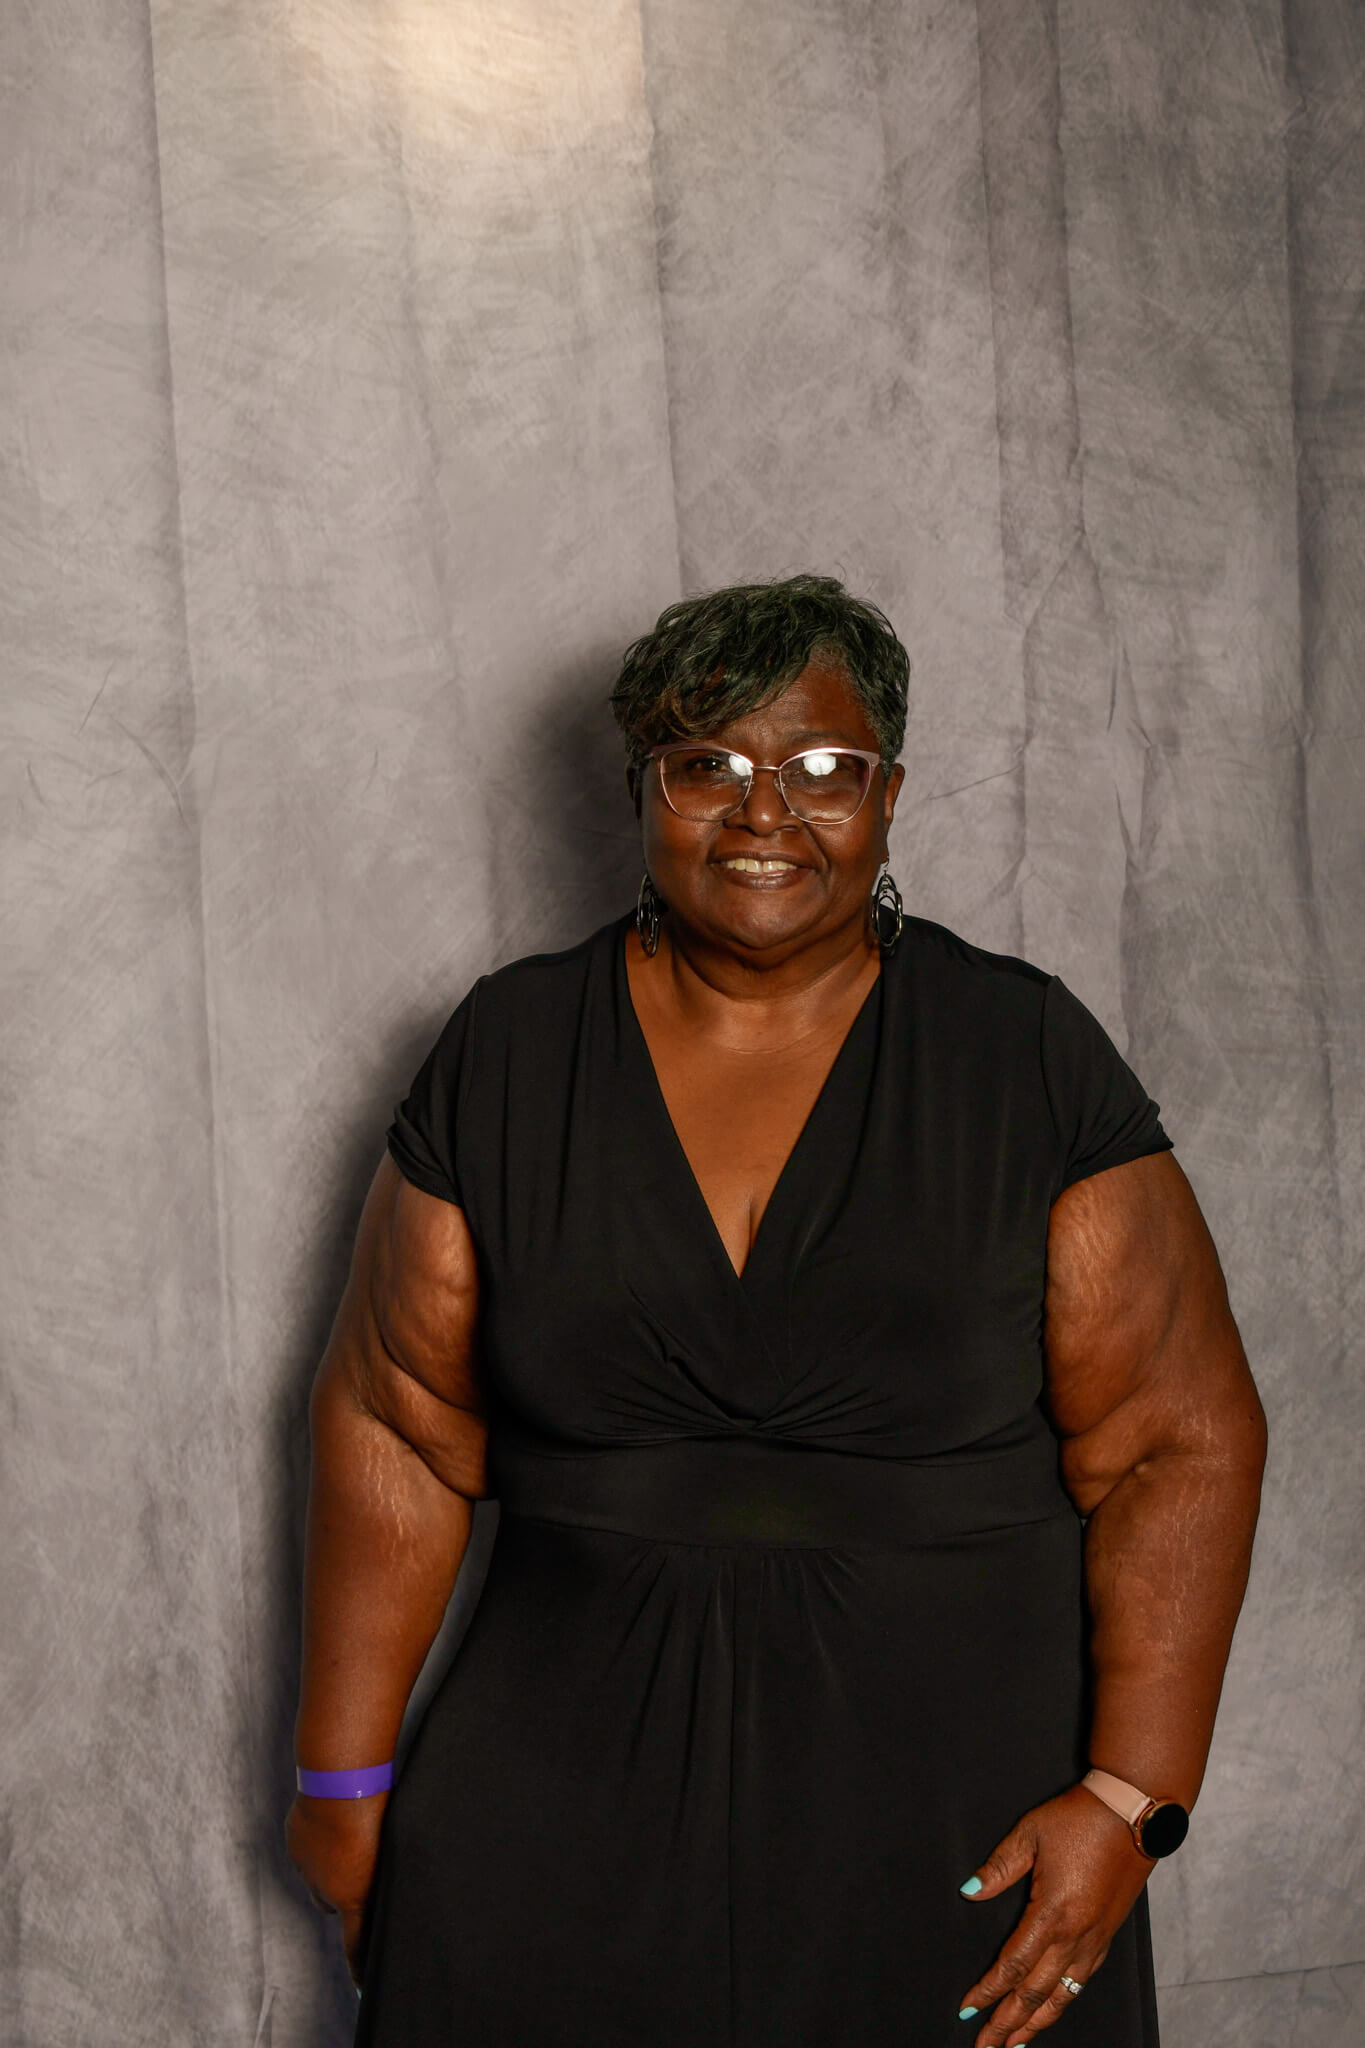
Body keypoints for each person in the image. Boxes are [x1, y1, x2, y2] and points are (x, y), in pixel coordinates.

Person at [286, 575, 1267, 2048]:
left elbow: (1179, 1442)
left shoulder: (1021, 1056)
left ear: (888, 795)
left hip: (960, 1820)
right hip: (548, 1813)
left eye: (821, 768)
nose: (764, 813)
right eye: (707, 766)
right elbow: (396, 1428)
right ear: (641, 790)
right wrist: (342, 1783)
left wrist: (1134, 1797)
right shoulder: (509, 1050)